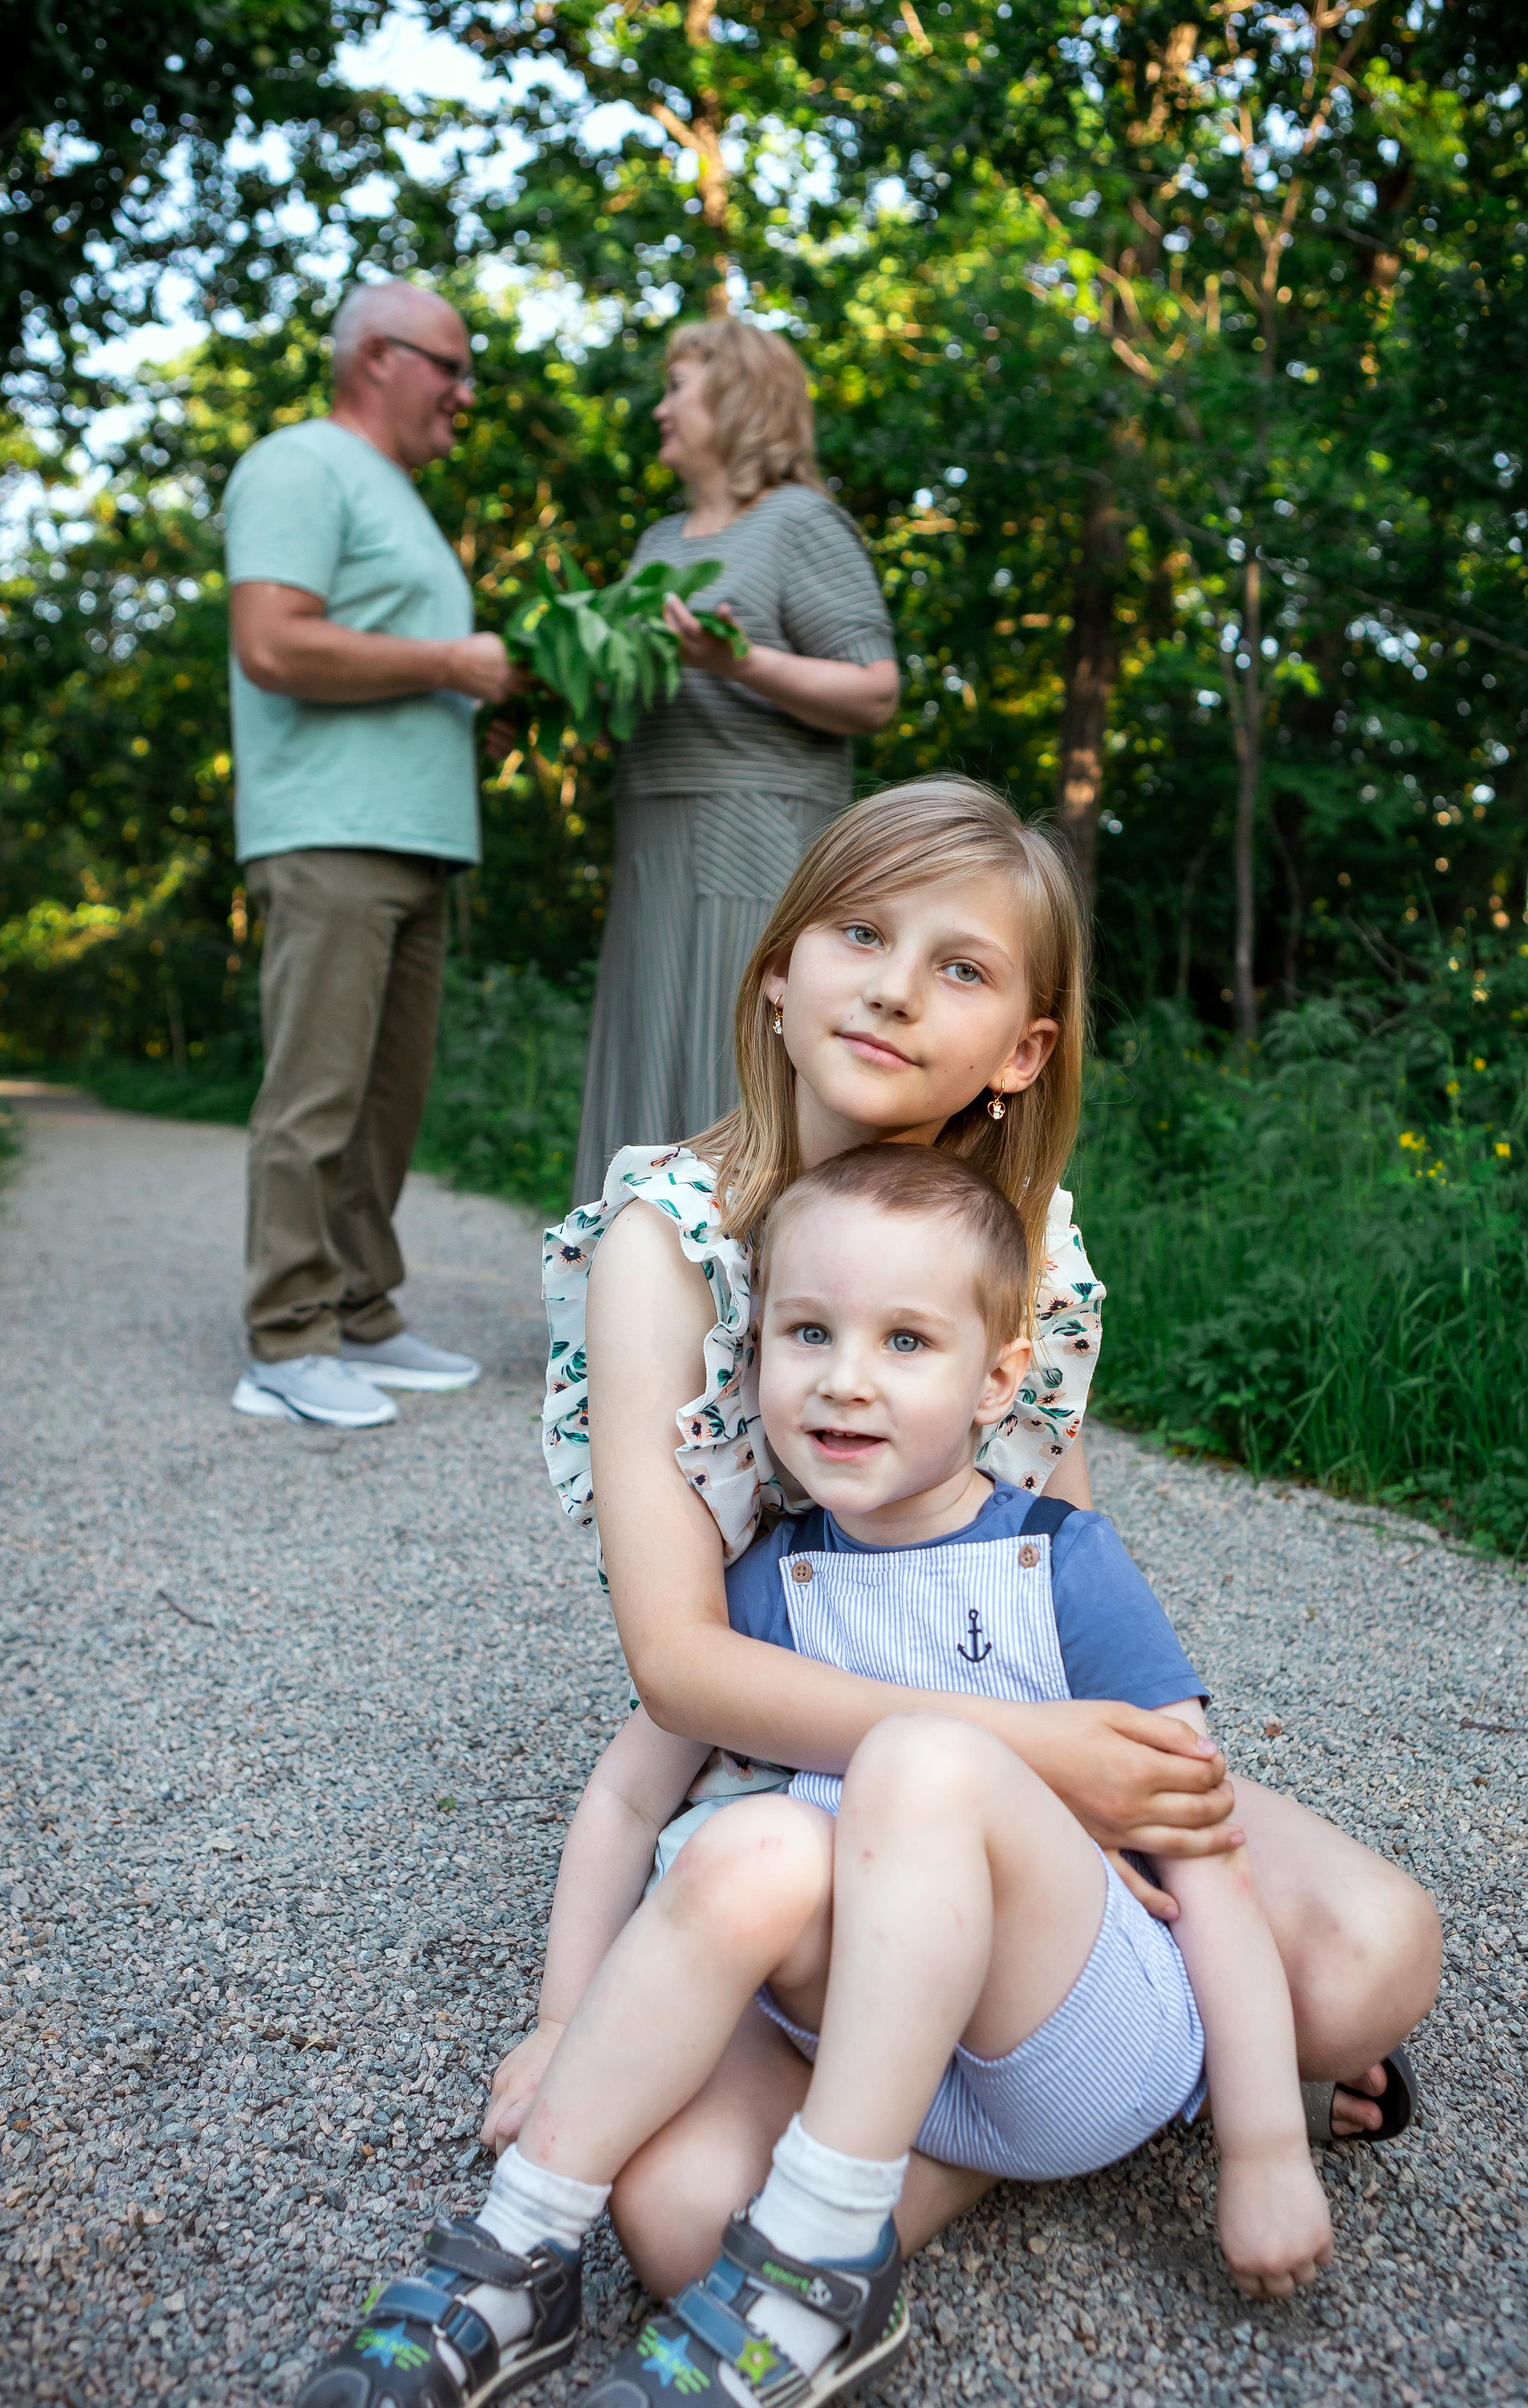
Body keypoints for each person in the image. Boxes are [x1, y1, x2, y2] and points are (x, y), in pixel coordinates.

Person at [492, 777, 1441, 2302]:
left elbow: (1055, 1534)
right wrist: (1033, 1758)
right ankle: (1040, 2112)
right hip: (785, 1767)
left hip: (1011, 1715)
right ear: (778, 972)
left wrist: (1092, 1778)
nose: (890, 985)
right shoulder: (663, 1244)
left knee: (1370, 1958)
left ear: (1020, 1048)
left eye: (961, 964)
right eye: (860, 931)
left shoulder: (1030, 1243)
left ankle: (1083, 2075)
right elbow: (676, 1663)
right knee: (679, 2229)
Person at [290, 1144, 1347, 2408]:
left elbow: (1207, 1863)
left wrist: (1259, 2143)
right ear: (752, 1362)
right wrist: (561, 2024)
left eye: (905, 1340)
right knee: (748, 1852)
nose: (844, 1376)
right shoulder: (770, 1582)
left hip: (1071, 2036)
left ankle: (824, 2251)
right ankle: (521, 2244)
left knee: (918, 1756)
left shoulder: (1059, 1563)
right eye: (807, 1332)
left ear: (995, 1380)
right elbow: (626, 1793)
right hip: (886, 2054)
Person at [223, 279, 517, 1429]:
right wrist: (450, 665)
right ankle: (284, 1338)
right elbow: (273, 643)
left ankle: (358, 1305)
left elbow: (393, 658)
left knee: (386, 1102)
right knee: (316, 1095)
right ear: (378, 358)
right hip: (330, 832)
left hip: (415, 839)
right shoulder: (302, 463)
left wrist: (469, 705)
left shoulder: (397, 498)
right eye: (451, 366)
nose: (465, 392)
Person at [572, 316, 900, 1204]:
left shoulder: (799, 523)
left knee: (730, 1067)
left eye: (677, 387)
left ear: (739, 396)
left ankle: (741, 1316)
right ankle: (616, 1314)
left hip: (752, 836)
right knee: (643, 1057)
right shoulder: (658, 543)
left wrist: (737, 661)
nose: (659, 409)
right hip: (652, 827)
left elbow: (874, 688)